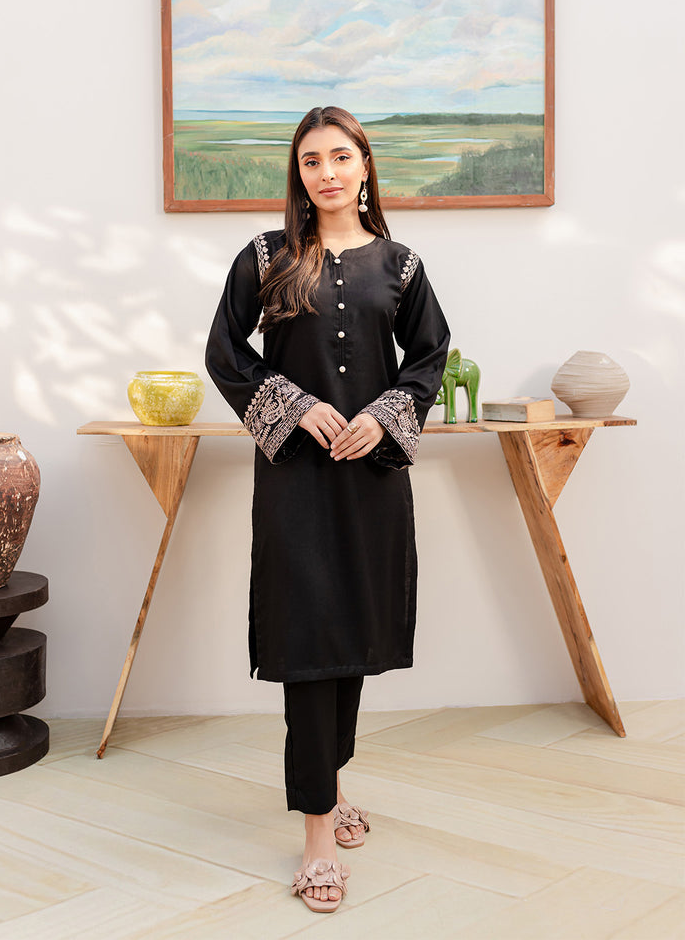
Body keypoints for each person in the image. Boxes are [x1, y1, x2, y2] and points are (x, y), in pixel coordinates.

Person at [206, 106, 450, 914]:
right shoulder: (267, 257)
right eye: (311, 161)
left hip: (372, 481)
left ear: (365, 166)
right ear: (299, 174)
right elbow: (224, 352)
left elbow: (430, 356)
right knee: (307, 641)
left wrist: (383, 415)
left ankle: (330, 786)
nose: (327, 172)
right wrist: (290, 401)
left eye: (340, 156)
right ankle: (316, 833)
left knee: (350, 637)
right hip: (296, 481)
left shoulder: (401, 265)